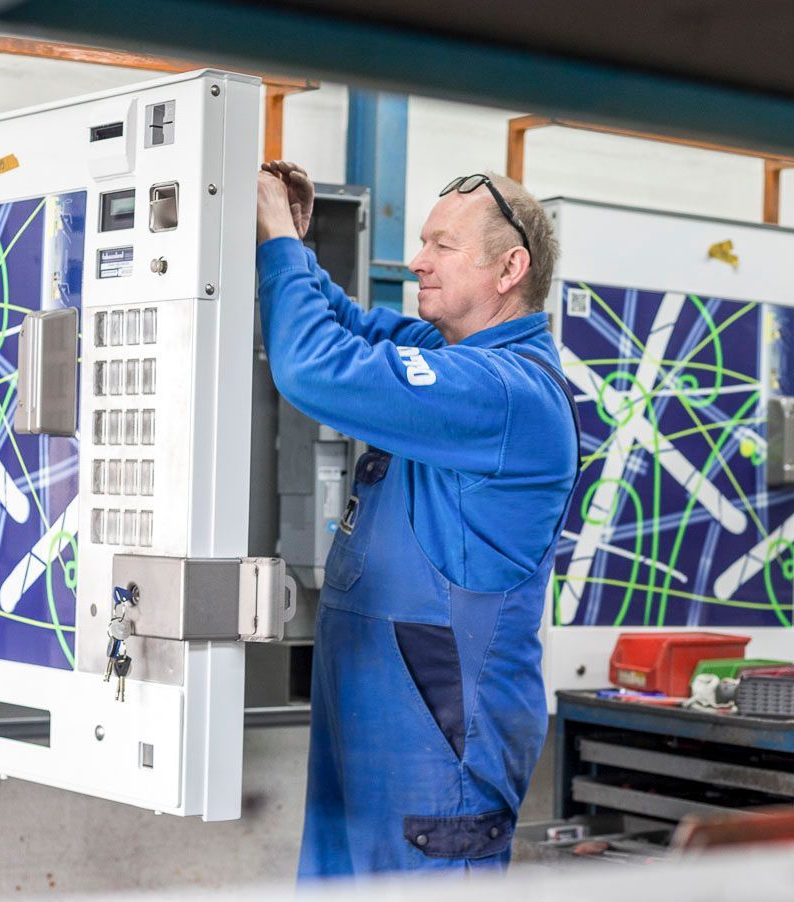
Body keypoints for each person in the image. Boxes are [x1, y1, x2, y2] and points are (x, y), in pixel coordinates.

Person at [255, 161, 578, 877]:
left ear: (510, 269)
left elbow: (314, 368)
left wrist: (276, 235)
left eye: (442, 245)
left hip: (437, 747)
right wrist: (293, 249)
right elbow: (347, 327)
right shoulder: (450, 357)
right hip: (370, 731)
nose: (416, 261)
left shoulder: (504, 392)